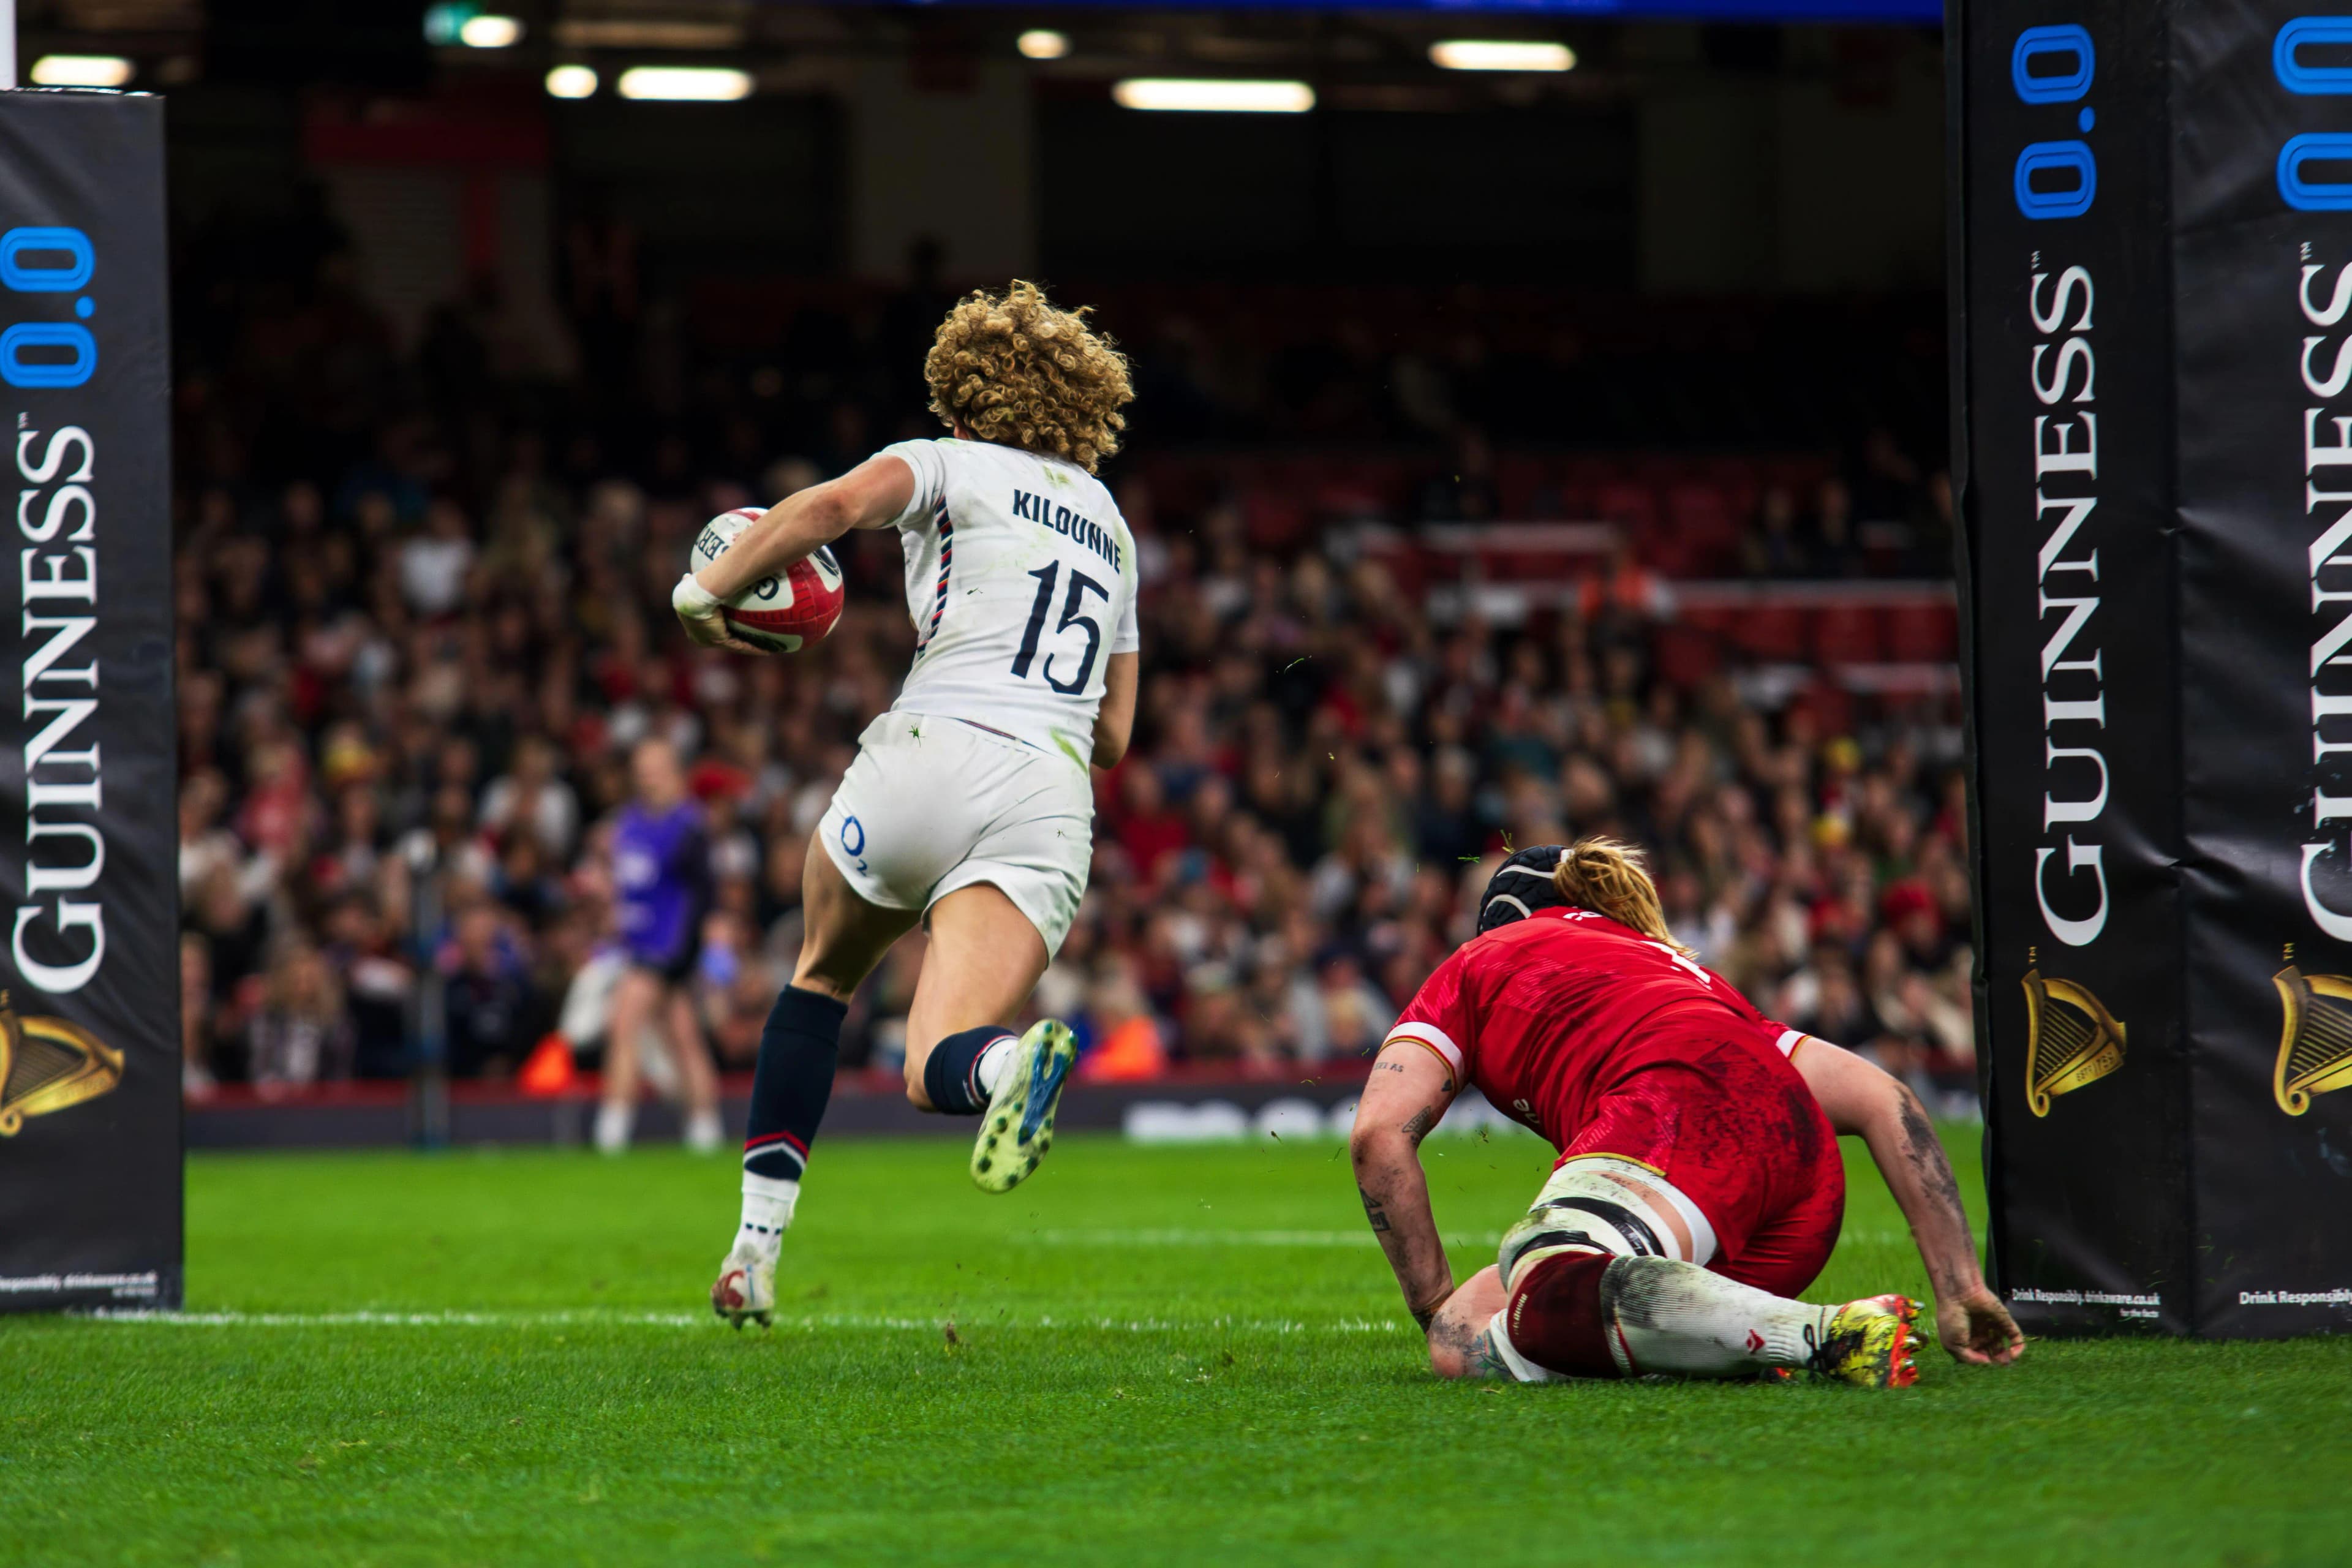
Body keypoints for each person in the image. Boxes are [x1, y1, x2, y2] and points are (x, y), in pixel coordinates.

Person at [673, 281, 1140, 1326]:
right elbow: (1114, 736)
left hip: (929, 755)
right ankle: (1018, 1061)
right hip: (1048, 795)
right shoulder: (1111, 527)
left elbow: (828, 508)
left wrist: (705, 597)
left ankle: (753, 1253)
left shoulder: (946, 460)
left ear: (961, 397)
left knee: (823, 976)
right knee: (941, 1068)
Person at [1350, 839, 2023, 1387]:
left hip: (1677, 1109)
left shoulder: (1480, 960)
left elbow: (1379, 1138)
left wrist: (1427, 1301)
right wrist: (1961, 1287)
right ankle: (1726, 1339)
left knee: (1537, 1265)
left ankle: (1815, 1332)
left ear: (1498, 921)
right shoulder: (1672, 967)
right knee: (1465, 1332)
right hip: (1798, 1198)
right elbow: (1886, 1098)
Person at [597, 737, 724, 1154]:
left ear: (675, 772)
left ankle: (613, 1127)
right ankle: (705, 1128)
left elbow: (704, 896)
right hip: (637, 945)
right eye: (642, 767)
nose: (648, 775)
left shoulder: (689, 826)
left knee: (624, 1021)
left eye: (657, 767)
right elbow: (630, 887)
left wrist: (690, 953)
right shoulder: (628, 824)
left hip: (669, 948)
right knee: (682, 1035)